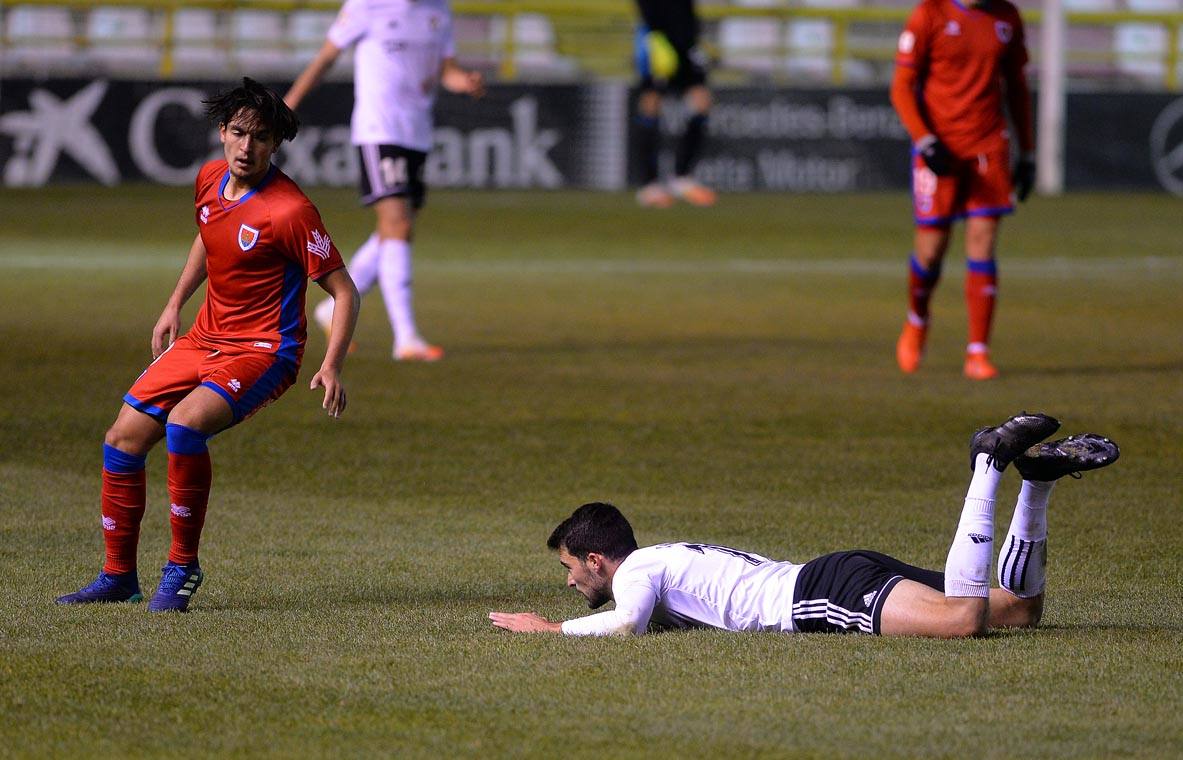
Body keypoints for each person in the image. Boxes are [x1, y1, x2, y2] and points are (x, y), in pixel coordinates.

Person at [56, 78, 360, 612]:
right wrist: (175, 302)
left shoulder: (289, 211)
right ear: (222, 132)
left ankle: (181, 567)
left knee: (184, 424)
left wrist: (332, 365)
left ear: (275, 144)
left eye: (261, 138)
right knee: (122, 439)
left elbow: (344, 290)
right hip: (203, 338)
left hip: (265, 351)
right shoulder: (209, 179)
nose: (247, 147)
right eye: (239, 133)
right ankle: (117, 575)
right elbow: (207, 234)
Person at [489, 413, 1119, 637]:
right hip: (835, 570)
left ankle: (988, 460)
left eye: (570, 569)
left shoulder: (639, 574)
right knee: (1015, 611)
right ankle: (1033, 484)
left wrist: (551, 629)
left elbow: (625, 623)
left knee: (965, 619)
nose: (570, 583)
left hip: (820, 596)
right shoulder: (659, 560)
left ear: (598, 559)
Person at [285, 0, 484, 362]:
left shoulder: (439, 9)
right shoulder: (367, 5)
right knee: (397, 224)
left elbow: (447, 69)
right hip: (380, 129)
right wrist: (291, 101)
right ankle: (405, 337)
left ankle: (333, 309)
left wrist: (463, 81)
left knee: (395, 229)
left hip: (417, 133)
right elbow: (327, 56)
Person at [889, 0, 1035, 380]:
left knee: (983, 239)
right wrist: (925, 141)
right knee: (932, 249)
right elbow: (901, 87)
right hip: (940, 146)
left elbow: (1017, 87)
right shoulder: (929, 14)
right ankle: (917, 317)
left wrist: (1029, 152)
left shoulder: (1006, 16)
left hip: (989, 145)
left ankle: (977, 352)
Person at [632, 0, 717, 208]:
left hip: (685, 41)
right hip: (658, 38)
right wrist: (654, 35)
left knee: (702, 102)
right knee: (651, 103)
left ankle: (682, 178)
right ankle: (649, 185)